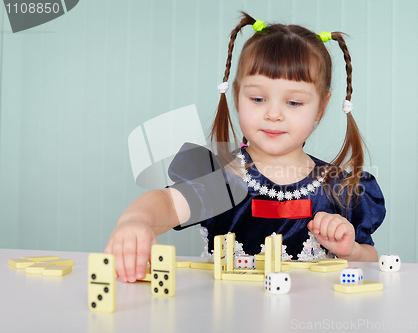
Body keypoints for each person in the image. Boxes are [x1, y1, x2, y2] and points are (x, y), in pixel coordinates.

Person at [105, 12, 386, 283]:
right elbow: (165, 204)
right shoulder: (222, 180)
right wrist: (135, 221)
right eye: (258, 98)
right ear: (238, 96)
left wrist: (350, 250)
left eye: (294, 103)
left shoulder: (340, 187)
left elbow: (370, 261)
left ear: (321, 107)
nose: (273, 114)